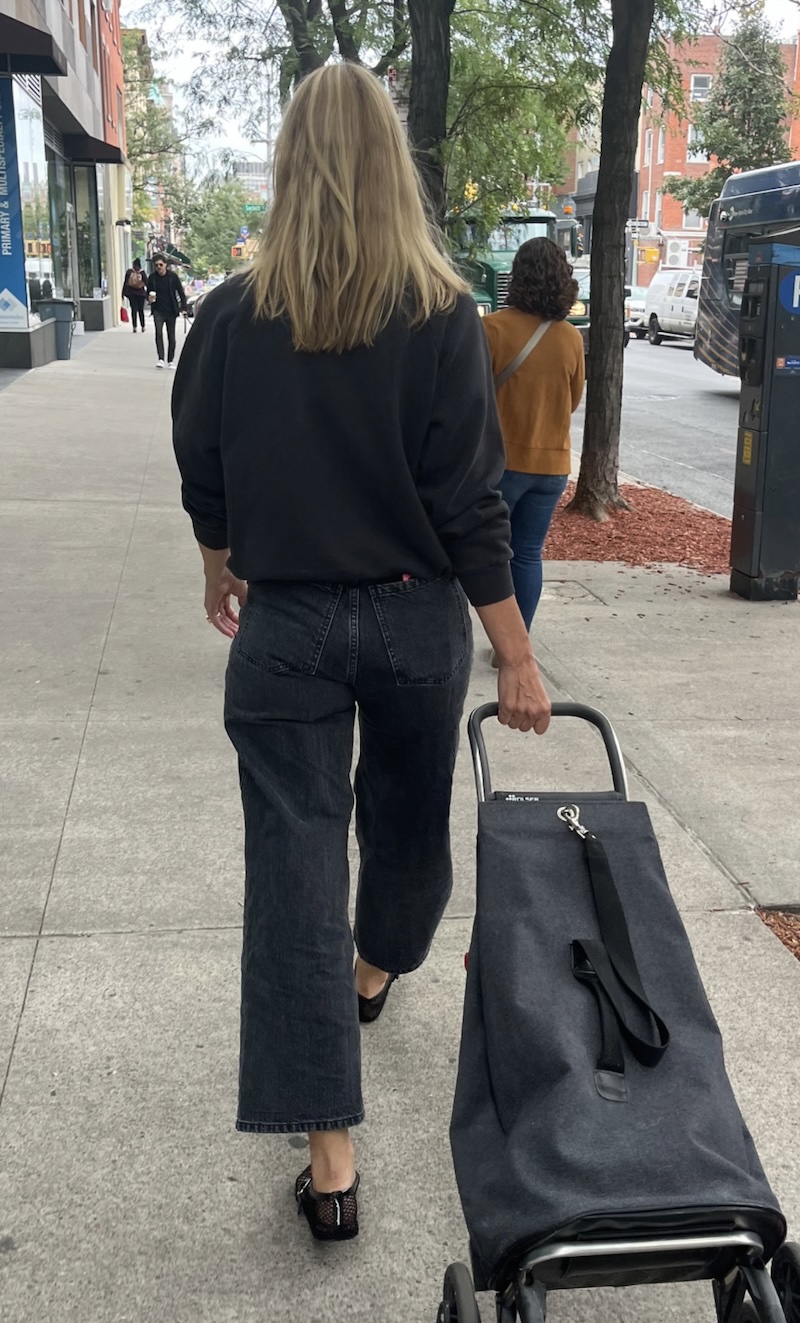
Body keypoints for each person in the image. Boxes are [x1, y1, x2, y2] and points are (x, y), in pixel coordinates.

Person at [171, 61, 553, 1245]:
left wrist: (216, 561)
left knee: (289, 870)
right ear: (398, 170)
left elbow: (203, 467)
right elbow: (468, 500)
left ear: (288, 169)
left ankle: (328, 1155)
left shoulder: (232, 311)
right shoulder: (441, 314)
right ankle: (378, 967)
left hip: (284, 624)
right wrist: (518, 653)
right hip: (410, 617)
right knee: (405, 824)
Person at [482, 236, 585, 630]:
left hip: (500, 464)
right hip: (552, 465)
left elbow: (470, 397)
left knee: (485, 554)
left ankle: (491, 634)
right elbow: (572, 400)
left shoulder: (491, 330)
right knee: (527, 554)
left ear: (517, 278)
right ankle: (516, 641)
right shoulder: (571, 338)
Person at [146, 257, 188, 367]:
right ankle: (160, 358)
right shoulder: (152, 278)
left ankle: (170, 360)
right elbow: (148, 293)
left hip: (171, 310)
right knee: (158, 334)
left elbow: (180, 292)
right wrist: (149, 299)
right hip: (158, 310)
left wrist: (184, 307)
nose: (158, 267)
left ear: (165, 265)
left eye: (160, 265)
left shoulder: (172, 277)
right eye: (156, 265)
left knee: (171, 336)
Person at [124, 261, 148, 332]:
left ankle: (134, 327)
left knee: (133, 310)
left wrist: (124, 293)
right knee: (141, 311)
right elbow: (147, 283)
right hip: (141, 294)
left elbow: (125, 282)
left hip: (132, 294)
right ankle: (143, 326)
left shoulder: (129, 272)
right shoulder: (142, 273)